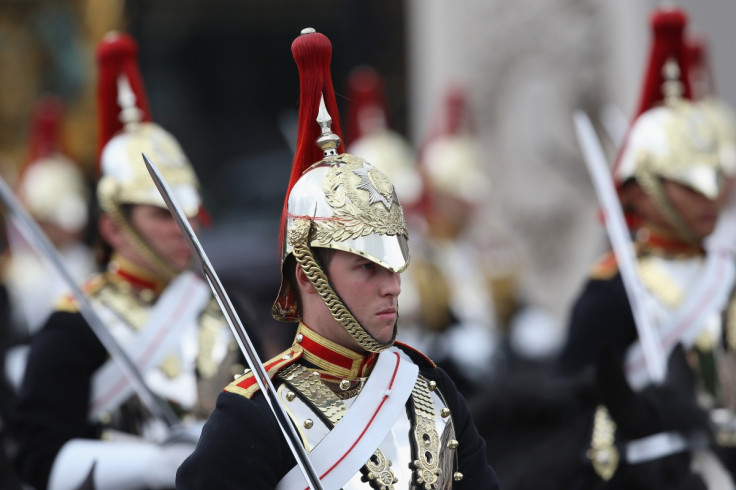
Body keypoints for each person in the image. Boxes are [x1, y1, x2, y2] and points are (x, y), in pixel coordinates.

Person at [176, 28, 500, 489]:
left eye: (393, 264)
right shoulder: (252, 415)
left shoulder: (431, 389)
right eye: (367, 266)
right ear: (308, 275)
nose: (393, 285)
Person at [12, 32, 256, 490]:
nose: (183, 228)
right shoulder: (76, 324)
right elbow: (36, 457)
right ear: (111, 228)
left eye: (187, 213)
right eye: (162, 215)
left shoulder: (225, 308)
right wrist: (146, 466)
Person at [558, 6, 736, 411]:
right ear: (639, 193)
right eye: (689, 186)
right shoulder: (612, 291)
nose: (709, 199)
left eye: (714, 182)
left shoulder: (727, 272)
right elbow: (573, 411)